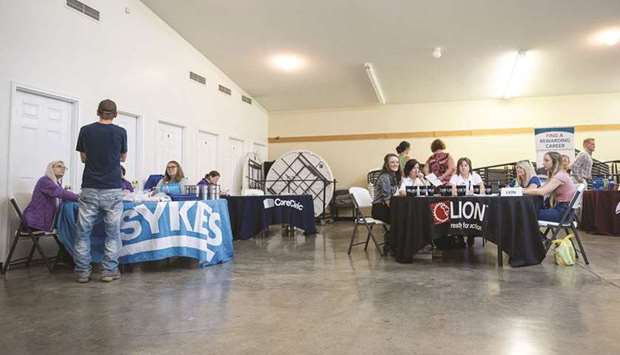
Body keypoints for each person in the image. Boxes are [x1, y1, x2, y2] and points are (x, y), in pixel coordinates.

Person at [75, 99, 127, 283]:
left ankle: (82, 272)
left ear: (98, 111)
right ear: (115, 114)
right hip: (112, 188)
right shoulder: (121, 132)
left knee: (83, 233)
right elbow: (123, 157)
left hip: (89, 187)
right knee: (112, 234)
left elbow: (83, 158)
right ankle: (108, 271)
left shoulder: (86, 130)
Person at [22, 161, 79, 232]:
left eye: (64, 168)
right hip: (33, 222)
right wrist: (79, 197)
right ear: (51, 168)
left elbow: (61, 194)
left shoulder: (56, 183)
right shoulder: (44, 181)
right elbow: (61, 193)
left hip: (43, 221)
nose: (63, 169)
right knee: (70, 225)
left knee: (71, 209)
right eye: (59, 166)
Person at [524, 152, 577, 224]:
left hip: (562, 213)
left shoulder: (559, 176)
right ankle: (534, 235)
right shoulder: (559, 174)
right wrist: (524, 190)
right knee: (528, 212)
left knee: (527, 214)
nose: (543, 163)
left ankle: (533, 235)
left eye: (546, 160)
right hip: (564, 211)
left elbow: (542, 192)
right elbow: (541, 188)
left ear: (555, 162)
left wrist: (521, 191)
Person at [372, 154, 401, 254]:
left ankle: (393, 244)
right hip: (379, 208)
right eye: (392, 162)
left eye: (397, 162)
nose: (395, 164)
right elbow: (387, 200)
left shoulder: (394, 176)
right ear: (387, 164)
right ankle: (392, 246)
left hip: (387, 207)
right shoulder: (385, 177)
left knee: (404, 217)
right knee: (400, 219)